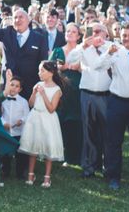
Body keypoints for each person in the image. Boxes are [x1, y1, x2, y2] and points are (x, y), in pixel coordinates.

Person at [92, 23, 129, 191]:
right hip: (117, 102)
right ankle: (114, 177)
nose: (127, 39)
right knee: (114, 142)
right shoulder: (115, 51)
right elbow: (97, 66)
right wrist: (108, 53)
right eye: (124, 35)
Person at [69, 23, 112, 178]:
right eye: (93, 32)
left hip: (106, 96)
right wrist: (83, 45)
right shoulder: (84, 48)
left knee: (107, 133)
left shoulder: (112, 47)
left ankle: (107, 167)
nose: (97, 34)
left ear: (106, 34)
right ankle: (89, 166)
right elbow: (70, 58)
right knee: (88, 132)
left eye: (100, 31)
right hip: (87, 94)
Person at [0, 6, 49, 100]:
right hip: (10, 82)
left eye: (21, 17)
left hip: (30, 83)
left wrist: (42, 81)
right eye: (15, 17)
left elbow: (43, 61)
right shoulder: (7, 33)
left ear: (28, 20)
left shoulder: (39, 38)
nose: (18, 20)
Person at [18, 61, 64, 188]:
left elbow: (51, 109)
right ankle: (31, 174)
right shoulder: (38, 84)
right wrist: (34, 92)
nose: (39, 73)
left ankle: (47, 177)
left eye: (42, 71)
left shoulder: (57, 90)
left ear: (51, 73)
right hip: (35, 118)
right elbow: (31, 104)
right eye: (39, 70)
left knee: (48, 147)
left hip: (48, 119)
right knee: (33, 146)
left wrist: (43, 94)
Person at [49, 22, 82, 166]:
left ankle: (75, 156)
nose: (69, 33)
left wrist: (75, 67)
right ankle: (61, 154)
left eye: (73, 32)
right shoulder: (57, 51)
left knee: (76, 123)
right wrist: (58, 69)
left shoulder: (82, 50)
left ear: (79, 36)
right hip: (61, 91)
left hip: (78, 90)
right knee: (61, 121)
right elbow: (48, 68)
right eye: (68, 31)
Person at [0, 74, 30, 179]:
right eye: (12, 85)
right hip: (6, 131)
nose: (14, 88)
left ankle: (20, 173)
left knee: (20, 154)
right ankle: (5, 171)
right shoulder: (3, 100)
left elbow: (27, 115)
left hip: (18, 131)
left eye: (17, 86)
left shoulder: (23, 101)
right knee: (5, 153)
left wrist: (21, 120)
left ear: (20, 89)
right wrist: (4, 123)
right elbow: (0, 114)